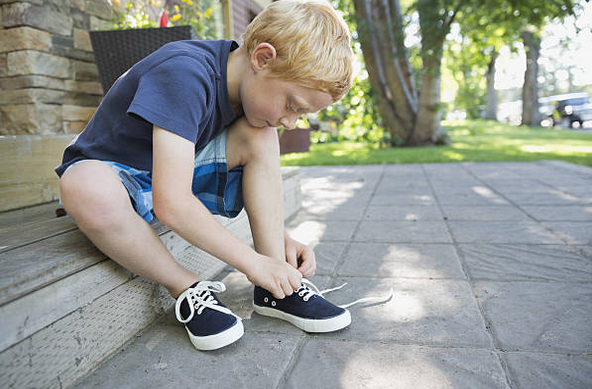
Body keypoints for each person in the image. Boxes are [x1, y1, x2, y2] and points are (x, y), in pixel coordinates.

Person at [56, 0, 355, 351]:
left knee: (260, 133)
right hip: (118, 178)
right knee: (83, 187)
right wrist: (251, 262)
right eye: (292, 105)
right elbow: (173, 203)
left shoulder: (246, 89)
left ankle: (277, 289)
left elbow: (204, 174)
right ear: (262, 58)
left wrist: (278, 238)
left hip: (167, 177)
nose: (291, 122)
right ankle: (187, 288)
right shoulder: (185, 72)